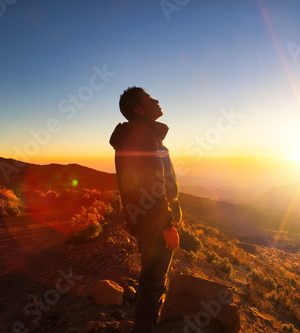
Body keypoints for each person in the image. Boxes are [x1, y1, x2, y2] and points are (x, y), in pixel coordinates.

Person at [109, 86, 181, 333]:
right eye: (150, 99)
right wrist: (167, 224)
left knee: (152, 281)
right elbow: (151, 185)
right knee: (153, 284)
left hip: (147, 221)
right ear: (138, 109)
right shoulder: (142, 135)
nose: (157, 101)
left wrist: (174, 208)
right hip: (153, 224)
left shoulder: (140, 134)